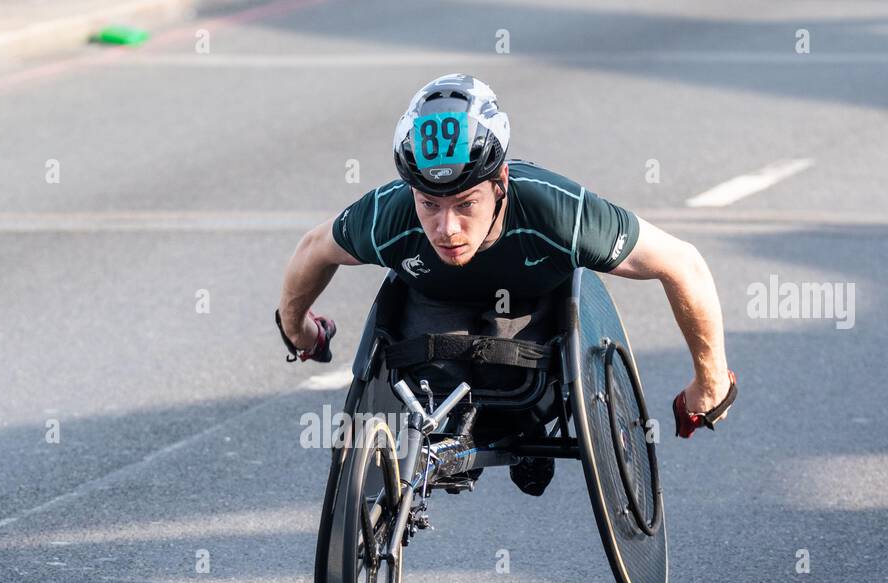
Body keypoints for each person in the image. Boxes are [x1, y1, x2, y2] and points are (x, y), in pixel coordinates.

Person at [275, 73, 736, 495]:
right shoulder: (389, 213)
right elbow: (315, 248)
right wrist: (298, 329)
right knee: (430, 376)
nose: (447, 228)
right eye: (429, 204)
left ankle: (524, 426)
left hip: (530, 326)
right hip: (433, 328)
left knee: (510, 379)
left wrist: (710, 381)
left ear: (500, 182)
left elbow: (683, 264)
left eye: (465, 204)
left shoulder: (557, 212)